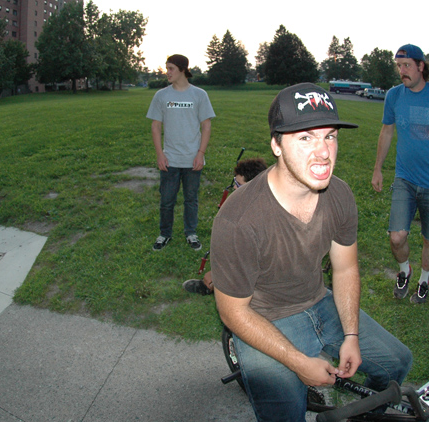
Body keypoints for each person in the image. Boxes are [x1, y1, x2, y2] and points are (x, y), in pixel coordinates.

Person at [212, 83, 412, 421]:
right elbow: (234, 314)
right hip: (263, 317)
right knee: (286, 410)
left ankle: (367, 413)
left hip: (319, 300)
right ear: (276, 144)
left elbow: (345, 269)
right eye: (305, 138)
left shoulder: (339, 195)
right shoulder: (239, 220)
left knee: (397, 362)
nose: (323, 152)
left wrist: (351, 335)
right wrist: (299, 363)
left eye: (329, 136)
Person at [371, 44, 429, 305]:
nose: (402, 71)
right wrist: (378, 168)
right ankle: (405, 272)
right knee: (397, 236)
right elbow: (386, 131)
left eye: (407, 66)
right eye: (398, 66)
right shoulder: (394, 96)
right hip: (405, 179)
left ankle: (423, 280)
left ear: (421, 66)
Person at [146, 54, 216, 252]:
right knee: (167, 200)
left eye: (170, 69)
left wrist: (200, 153)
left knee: (191, 199)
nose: (167, 72)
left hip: (192, 159)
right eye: (166, 68)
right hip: (170, 159)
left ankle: (190, 232)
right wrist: (160, 154)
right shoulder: (161, 96)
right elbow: (155, 127)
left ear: (182, 70)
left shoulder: (199, 95)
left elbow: (206, 126)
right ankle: (164, 234)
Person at [183, 157, 268, 295]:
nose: (234, 187)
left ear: (254, 186)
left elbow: (244, 259)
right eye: (235, 182)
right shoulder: (251, 201)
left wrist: (217, 275)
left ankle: (217, 288)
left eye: (239, 185)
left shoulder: (257, 217)